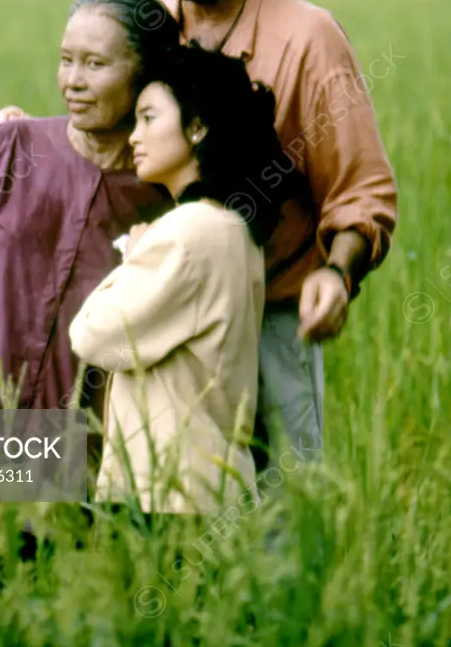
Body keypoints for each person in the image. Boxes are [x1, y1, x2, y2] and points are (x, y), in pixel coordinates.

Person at [0, 0, 398, 466]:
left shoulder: (307, 38)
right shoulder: (150, 25)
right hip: (151, 310)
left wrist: (336, 272)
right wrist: (28, 139)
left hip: (270, 316)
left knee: (281, 514)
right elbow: (106, 139)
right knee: (155, 504)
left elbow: (360, 193)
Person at [0, 0, 178, 435]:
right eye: (66, 59)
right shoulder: (8, 149)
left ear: (148, 77)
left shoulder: (166, 197)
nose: (72, 80)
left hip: (92, 449)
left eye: (95, 64)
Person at [69, 43, 301, 516]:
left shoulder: (187, 232)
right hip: (209, 488)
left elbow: (92, 337)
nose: (135, 136)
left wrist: (131, 258)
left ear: (196, 128)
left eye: (150, 118)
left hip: (167, 495)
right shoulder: (236, 229)